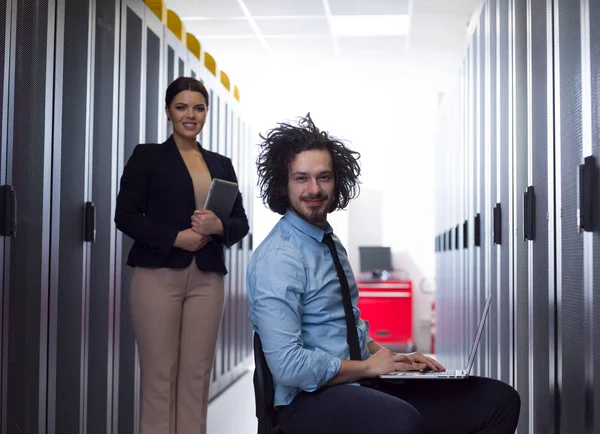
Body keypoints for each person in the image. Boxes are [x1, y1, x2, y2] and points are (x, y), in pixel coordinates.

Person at [247, 114, 520, 434]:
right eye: (301, 178)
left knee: (498, 399)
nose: (314, 189)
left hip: (359, 382)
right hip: (306, 400)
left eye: (324, 177)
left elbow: (343, 331)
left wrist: (393, 358)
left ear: (338, 182)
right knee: (400, 421)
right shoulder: (279, 258)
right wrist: (366, 366)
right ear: (284, 184)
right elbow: (289, 366)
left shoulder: (329, 243)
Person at [115, 77, 249, 434]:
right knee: (160, 374)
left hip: (208, 279)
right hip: (157, 276)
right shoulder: (148, 157)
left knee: (196, 374)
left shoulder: (221, 164)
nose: (191, 115)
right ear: (168, 111)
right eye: (182, 107)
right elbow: (124, 215)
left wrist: (218, 227)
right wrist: (177, 238)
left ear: (206, 113)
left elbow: (240, 223)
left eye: (199, 107)